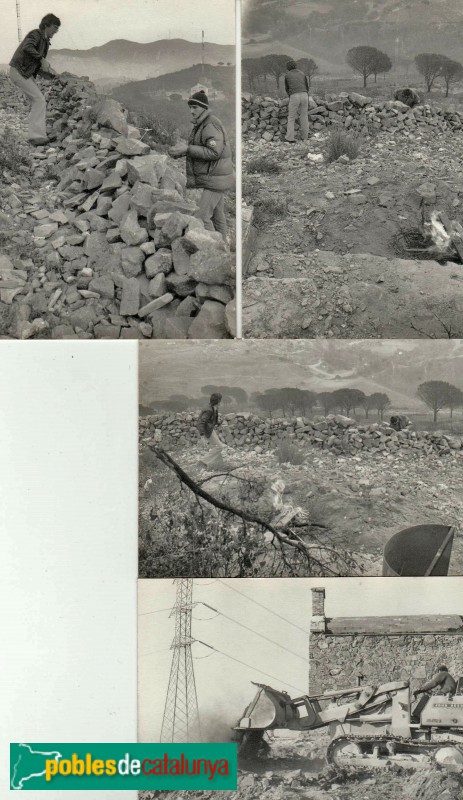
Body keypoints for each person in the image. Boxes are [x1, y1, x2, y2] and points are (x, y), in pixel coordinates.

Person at [168, 91, 234, 242]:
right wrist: (183, 151)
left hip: (215, 179)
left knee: (202, 218)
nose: (191, 111)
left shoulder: (210, 123)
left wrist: (188, 149)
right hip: (217, 177)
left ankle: (216, 251)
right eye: (190, 107)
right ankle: (224, 248)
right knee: (218, 217)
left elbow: (214, 152)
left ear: (204, 107)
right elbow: (202, 149)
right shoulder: (203, 123)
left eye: (195, 107)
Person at [9, 13, 61, 146]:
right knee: (39, 100)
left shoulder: (45, 42)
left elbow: (36, 64)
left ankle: (37, 135)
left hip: (24, 74)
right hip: (18, 72)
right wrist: (42, 59)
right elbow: (27, 47)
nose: (56, 30)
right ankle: (36, 137)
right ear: (46, 25)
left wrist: (48, 75)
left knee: (37, 100)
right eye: (55, 27)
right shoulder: (35, 35)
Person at [196, 392, 225, 469]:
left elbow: (212, 420)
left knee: (218, 446)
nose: (221, 402)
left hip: (210, 429)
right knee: (220, 447)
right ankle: (202, 462)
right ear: (218, 401)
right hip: (207, 430)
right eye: (220, 400)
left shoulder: (214, 408)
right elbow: (200, 423)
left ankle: (219, 464)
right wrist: (202, 436)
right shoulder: (209, 410)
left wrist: (219, 423)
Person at [284, 60, 310, 144]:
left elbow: (287, 88)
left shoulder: (287, 75)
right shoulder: (302, 73)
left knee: (291, 117)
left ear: (288, 68)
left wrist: (291, 96)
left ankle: (290, 138)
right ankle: (305, 137)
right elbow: (307, 86)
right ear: (295, 66)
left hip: (294, 95)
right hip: (304, 94)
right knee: (304, 116)